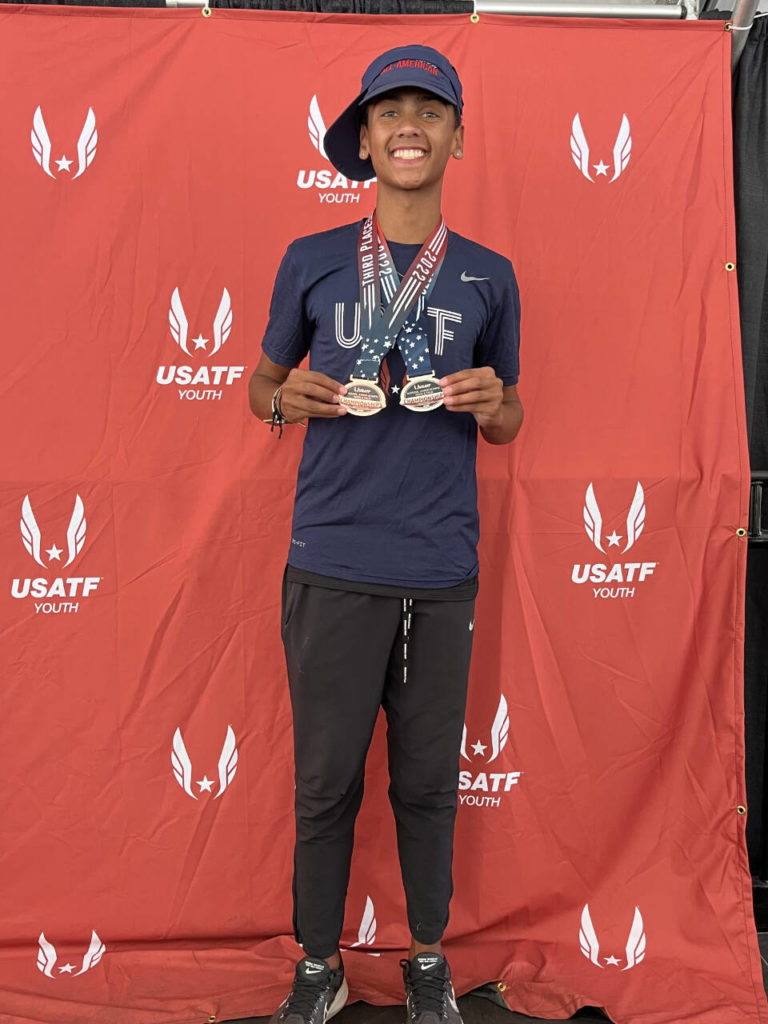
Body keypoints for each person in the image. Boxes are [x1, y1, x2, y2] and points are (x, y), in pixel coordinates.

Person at [249, 43, 523, 1024]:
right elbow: (256, 389)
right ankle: (318, 966)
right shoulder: (313, 260)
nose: (411, 124)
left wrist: (496, 405)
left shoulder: (490, 276)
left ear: (455, 135)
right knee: (324, 783)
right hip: (332, 559)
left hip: (440, 566)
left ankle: (427, 964)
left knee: (427, 785)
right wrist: (292, 400)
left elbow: (509, 414)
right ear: (364, 139)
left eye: (431, 109)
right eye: (390, 110)